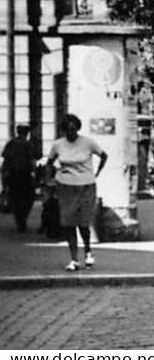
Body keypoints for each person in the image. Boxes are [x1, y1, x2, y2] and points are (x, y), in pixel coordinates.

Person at [46, 114, 107, 271]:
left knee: (84, 223)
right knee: (68, 223)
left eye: (73, 129)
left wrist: (97, 173)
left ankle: (87, 251)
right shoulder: (58, 145)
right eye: (68, 130)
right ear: (64, 130)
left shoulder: (88, 143)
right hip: (66, 187)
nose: (71, 133)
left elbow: (103, 155)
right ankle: (74, 259)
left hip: (86, 186)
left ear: (77, 128)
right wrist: (50, 179)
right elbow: (49, 162)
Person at [3, 124, 39, 232]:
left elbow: (5, 160)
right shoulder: (28, 145)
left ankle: (19, 219)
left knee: (15, 197)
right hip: (25, 175)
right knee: (28, 197)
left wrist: (4, 175)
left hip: (13, 175)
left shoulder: (11, 144)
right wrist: (35, 173)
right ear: (26, 133)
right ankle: (22, 218)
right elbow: (32, 160)